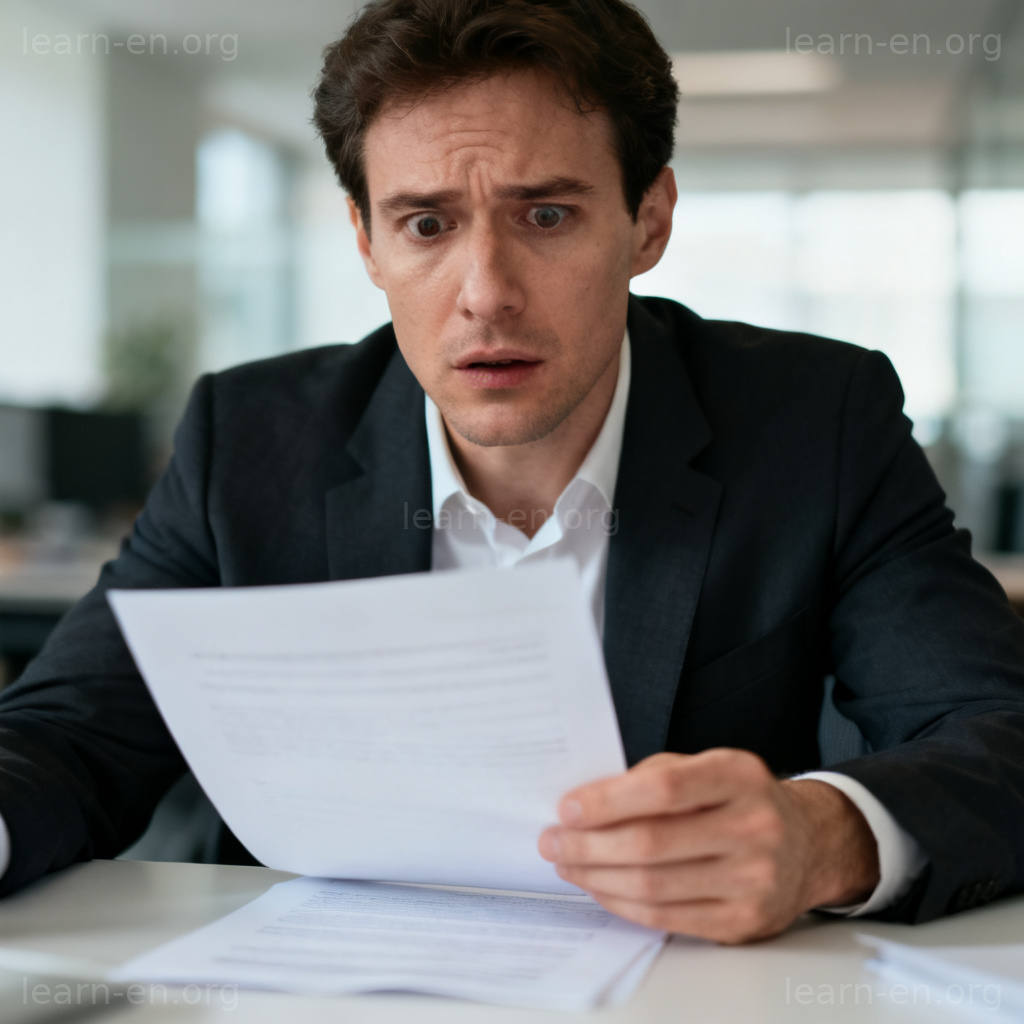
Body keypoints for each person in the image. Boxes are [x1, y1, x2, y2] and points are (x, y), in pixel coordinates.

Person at [1, 0, 1023, 945]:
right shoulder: (252, 436)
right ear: (366, 240)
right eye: (426, 224)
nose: (485, 294)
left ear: (648, 222)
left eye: (545, 216)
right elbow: (67, 734)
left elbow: (996, 737)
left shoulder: (813, 421)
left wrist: (825, 834)